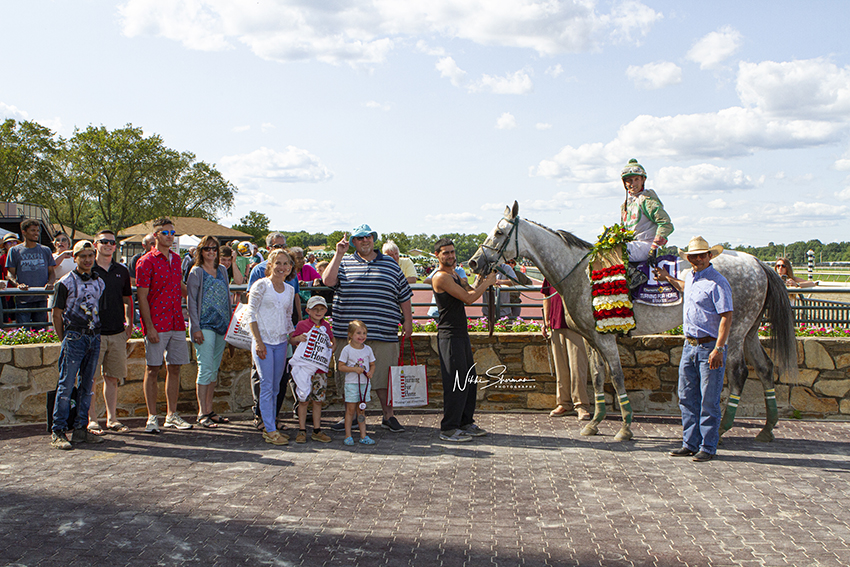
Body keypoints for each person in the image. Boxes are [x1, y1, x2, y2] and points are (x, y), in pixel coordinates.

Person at [323, 224, 413, 433]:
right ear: (353, 242)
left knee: (384, 378)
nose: (365, 240)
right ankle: (352, 416)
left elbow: (404, 295)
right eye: (360, 237)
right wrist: (338, 254)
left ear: (373, 239)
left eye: (369, 237)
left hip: (383, 332)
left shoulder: (390, 264)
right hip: (349, 335)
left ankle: (388, 416)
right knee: (349, 379)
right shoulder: (343, 262)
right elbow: (328, 281)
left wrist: (408, 321)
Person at [653, 236, 733, 463]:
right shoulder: (693, 278)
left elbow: (726, 316)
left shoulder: (718, 282)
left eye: (702, 255)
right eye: (694, 256)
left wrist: (719, 348)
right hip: (690, 345)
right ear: (689, 259)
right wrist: (668, 278)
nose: (698, 259)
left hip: (709, 346)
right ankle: (690, 443)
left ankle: (708, 446)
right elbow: (684, 287)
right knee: (687, 396)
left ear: (710, 256)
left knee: (709, 399)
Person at [431, 238, 498, 442]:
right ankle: (449, 428)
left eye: (452, 252)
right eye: (446, 253)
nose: (450, 256)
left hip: (460, 333)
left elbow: (470, 290)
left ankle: (465, 422)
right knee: (455, 382)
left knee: (469, 380)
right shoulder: (441, 277)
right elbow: (469, 299)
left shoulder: (455, 275)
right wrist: (487, 283)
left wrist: (481, 278)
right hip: (449, 335)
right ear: (437, 255)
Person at [135, 218, 192, 433]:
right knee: (152, 369)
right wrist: (149, 327)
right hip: (157, 323)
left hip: (176, 321)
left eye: (172, 232)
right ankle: (151, 416)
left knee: (174, 368)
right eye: (166, 232)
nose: (170, 236)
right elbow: (142, 297)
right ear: (156, 235)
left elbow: (179, 286)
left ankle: (172, 414)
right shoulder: (146, 261)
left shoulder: (176, 260)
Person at [49, 241, 106, 449]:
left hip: (94, 335)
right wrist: (64, 337)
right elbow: (56, 314)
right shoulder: (65, 282)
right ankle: (58, 430)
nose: (88, 260)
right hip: (74, 335)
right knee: (66, 384)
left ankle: (81, 428)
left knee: (87, 385)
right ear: (75, 258)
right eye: (83, 256)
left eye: (91, 255)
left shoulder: (99, 282)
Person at [247, 233, 301, 428]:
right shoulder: (260, 285)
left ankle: (272, 422)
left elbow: (288, 317)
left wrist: (292, 336)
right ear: (270, 264)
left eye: (286, 264)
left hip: (280, 343)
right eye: (278, 263)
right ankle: (268, 427)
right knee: (267, 385)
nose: (282, 267)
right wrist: (258, 342)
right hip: (264, 343)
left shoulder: (288, 289)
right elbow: (250, 315)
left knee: (278, 387)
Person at [86, 230, 134, 434]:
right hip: (93, 332)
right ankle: (92, 420)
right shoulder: (88, 268)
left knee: (112, 378)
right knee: (90, 379)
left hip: (116, 332)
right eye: (104, 242)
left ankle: (112, 418)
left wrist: (130, 324)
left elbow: (127, 299)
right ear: (96, 244)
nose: (108, 245)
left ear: (115, 246)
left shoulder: (121, 271)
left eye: (112, 242)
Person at [187, 236, 232, 429]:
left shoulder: (222, 270)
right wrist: (195, 327)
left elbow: (227, 299)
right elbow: (191, 301)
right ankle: (201, 413)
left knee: (214, 369)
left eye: (214, 249)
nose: (211, 252)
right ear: (201, 251)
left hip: (221, 325)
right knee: (205, 369)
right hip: (204, 325)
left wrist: (230, 327)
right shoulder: (196, 272)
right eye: (207, 249)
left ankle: (209, 409)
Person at [541, 278, 592, 421]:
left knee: (578, 367)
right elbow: (546, 296)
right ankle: (564, 403)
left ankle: (581, 405)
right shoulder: (549, 273)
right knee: (560, 368)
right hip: (556, 324)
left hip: (576, 326)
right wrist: (546, 321)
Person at [289, 295, 334, 444]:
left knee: (318, 400)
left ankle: (316, 429)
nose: (318, 312)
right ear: (308, 310)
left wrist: (331, 347)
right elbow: (292, 340)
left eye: (321, 309)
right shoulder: (302, 325)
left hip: (319, 370)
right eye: (315, 309)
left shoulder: (326, 326)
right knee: (303, 399)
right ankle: (302, 430)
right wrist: (298, 338)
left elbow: (331, 342)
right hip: (304, 367)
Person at [620, 158, 674, 264]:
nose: (633, 184)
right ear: (624, 183)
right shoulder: (625, 205)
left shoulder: (647, 199)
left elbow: (666, 223)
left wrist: (654, 247)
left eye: (636, 179)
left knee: (617, 251)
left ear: (643, 180)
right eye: (629, 181)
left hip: (647, 245)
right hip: (632, 245)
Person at [6, 218, 56, 328]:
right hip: (23, 299)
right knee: (24, 332)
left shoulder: (45, 250)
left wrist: (50, 283)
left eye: (38, 231)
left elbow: (52, 272)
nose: (36, 233)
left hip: (41, 298)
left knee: (41, 331)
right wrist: (18, 285)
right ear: (24, 232)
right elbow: (10, 274)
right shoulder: (14, 251)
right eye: (33, 230)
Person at [337, 320, 376, 446]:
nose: (362, 336)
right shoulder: (347, 350)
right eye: (358, 333)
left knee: (362, 410)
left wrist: (371, 372)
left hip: (364, 384)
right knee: (350, 410)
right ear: (350, 335)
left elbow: (372, 364)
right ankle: (348, 435)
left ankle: (363, 435)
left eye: (364, 333)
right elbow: (341, 366)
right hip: (352, 384)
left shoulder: (368, 349)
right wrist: (354, 369)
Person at [0, 233, 20, 324]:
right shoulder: (1, 259)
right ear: (4, 245)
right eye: (9, 243)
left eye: (14, 242)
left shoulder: (21, 256)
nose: (12, 245)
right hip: (6, 290)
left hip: (20, 288)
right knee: (8, 312)